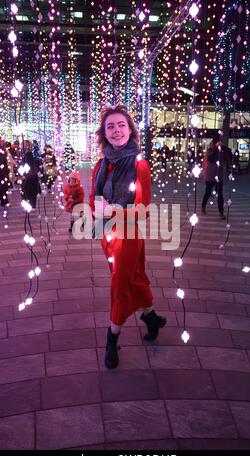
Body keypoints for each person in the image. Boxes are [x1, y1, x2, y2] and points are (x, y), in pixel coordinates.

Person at [89, 104, 166, 369]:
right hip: (105, 233)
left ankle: (112, 337)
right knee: (133, 277)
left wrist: (111, 209)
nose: (116, 130)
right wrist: (84, 205)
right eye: (111, 126)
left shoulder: (139, 164)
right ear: (104, 133)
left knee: (120, 284)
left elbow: (143, 210)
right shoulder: (101, 164)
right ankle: (152, 317)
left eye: (121, 125)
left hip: (128, 234)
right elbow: (93, 200)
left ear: (130, 130)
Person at [201, 136, 232, 219]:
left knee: (220, 195)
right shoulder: (210, 151)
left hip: (219, 176)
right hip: (210, 176)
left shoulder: (221, 151)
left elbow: (229, 153)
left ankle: (221, 212)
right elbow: (210, 158)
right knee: (208, 192)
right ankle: (203, 206)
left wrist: (223, 148)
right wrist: (215, 148)